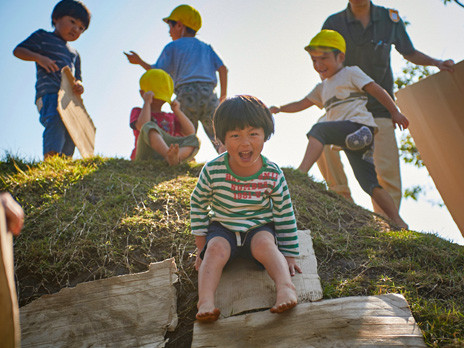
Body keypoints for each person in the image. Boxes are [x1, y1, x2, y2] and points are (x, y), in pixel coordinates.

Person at [318, 0, 455, 215]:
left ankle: (388, 225)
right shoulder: (334, 23)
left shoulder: (389, 19)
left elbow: (408, 52)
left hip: (379, 108)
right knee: (319, 140)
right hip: (347, 107)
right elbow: (323, 61)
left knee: (387, 172)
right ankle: (341, 200)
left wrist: (437, 62)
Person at [270, 30, 408, 229]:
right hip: (352, 139)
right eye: (314, 60)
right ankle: (398, 221)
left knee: (319, 130)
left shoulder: (350, 73)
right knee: (369, 183)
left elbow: (377, 89)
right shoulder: (322, 88)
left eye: (324, 59)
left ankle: (301, 173)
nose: (318, 65)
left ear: (340, 57)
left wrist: (395, 112)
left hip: (361, 128)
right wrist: (280, 109)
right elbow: (301, 104)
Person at [190, 95, 301, 322]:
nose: (245, 143)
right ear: (221, 139)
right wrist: (202, 249)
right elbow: (199, 204)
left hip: (258, 226)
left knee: (265, 244)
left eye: (253, 133)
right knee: (215, 250)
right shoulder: (212, 171)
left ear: (265, 135)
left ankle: (285, 289)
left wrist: (289, 254)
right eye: (235, 135)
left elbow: (284, 212)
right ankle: (206, 302)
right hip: (223, 227)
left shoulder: (272, 173)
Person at [125, 4, 228, 152]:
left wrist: (139, 61)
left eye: (170, 26)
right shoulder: (206, 48)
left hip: (186, 93)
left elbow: (157, 71)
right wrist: (222, 97)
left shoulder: (173, 47)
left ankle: (184, 159)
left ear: (179, 26)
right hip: (208, 94)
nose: (169, 31)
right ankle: (225, 155)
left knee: (185, 133)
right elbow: (223, 69)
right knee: (218, 133)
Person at [13, 0, 91, 159]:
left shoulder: (74, 53)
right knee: (56, 119)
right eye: (72, 22)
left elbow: (78, 78)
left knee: (72, 130)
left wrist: (79, 86)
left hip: (68, 98)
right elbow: (18, 50)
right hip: (49, 93)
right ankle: (51, 159)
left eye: (81, 28)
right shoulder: (43, 37)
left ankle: (64, 163)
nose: (76, 29)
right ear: (56, 18)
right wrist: (39, 58)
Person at [130, 69, 200, 165]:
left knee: (194, 139)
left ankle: (175, 158)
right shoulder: (138, 111)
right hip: (146, 155)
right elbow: (142, 125)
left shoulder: (170, 116)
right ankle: (168, 155)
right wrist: (147, 102)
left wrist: (177, 111)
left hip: (168, 155)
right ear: (143, 93)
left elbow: (190, 132)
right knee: (148, 126)